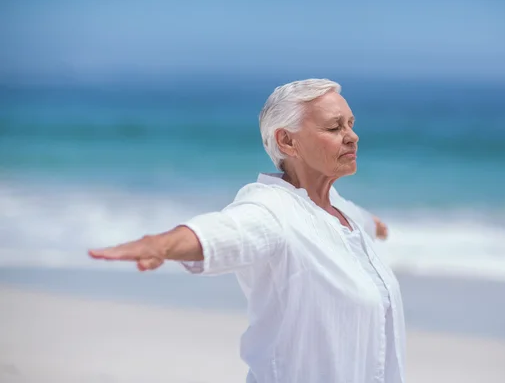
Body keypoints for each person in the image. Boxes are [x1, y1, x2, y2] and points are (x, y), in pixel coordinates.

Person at [88, 78, 405, 383]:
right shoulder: (271, 210)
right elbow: (228, 231)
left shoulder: (339, 207)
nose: (352, 136)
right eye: (335, 127)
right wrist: (162, 244)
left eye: (350, 124)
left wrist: (373, 225)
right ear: (287, 141)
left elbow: (358, 219)